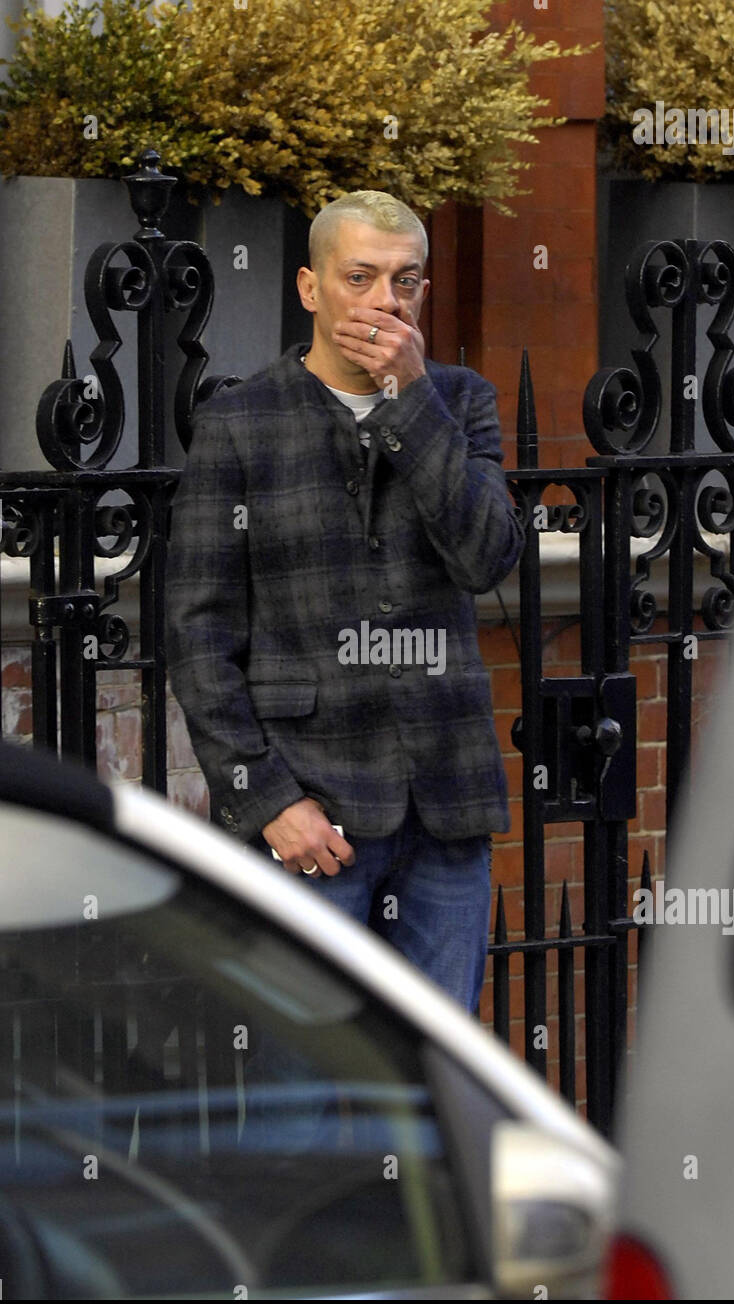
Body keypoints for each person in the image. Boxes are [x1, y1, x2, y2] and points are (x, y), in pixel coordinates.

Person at [165, 189, 522, 1013]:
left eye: (404, 280)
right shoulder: (240, 423)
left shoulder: (458, 402)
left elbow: (485, 558)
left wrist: (409, 397)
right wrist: (263, 799)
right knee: (314, 1092)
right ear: (308, 287)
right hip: (312, 810)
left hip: (446, 806)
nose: (384, 300)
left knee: (437, 1080)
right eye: (359, 276)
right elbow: (196, 633)